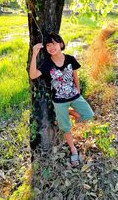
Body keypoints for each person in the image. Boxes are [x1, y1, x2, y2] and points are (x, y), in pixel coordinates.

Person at [29, 33, 94, 166]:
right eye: (48, 45)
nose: (51, 47)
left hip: (74, 95)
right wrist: (34, 54)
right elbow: (33, 75)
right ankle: (73, 150)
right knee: (66, 127)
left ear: (61, 44)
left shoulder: (70, 59)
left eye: (54, 43)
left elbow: (75, 76)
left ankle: (69, 112)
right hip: (59, 101)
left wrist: (78, 91)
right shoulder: (47, 64)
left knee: (89, 115)